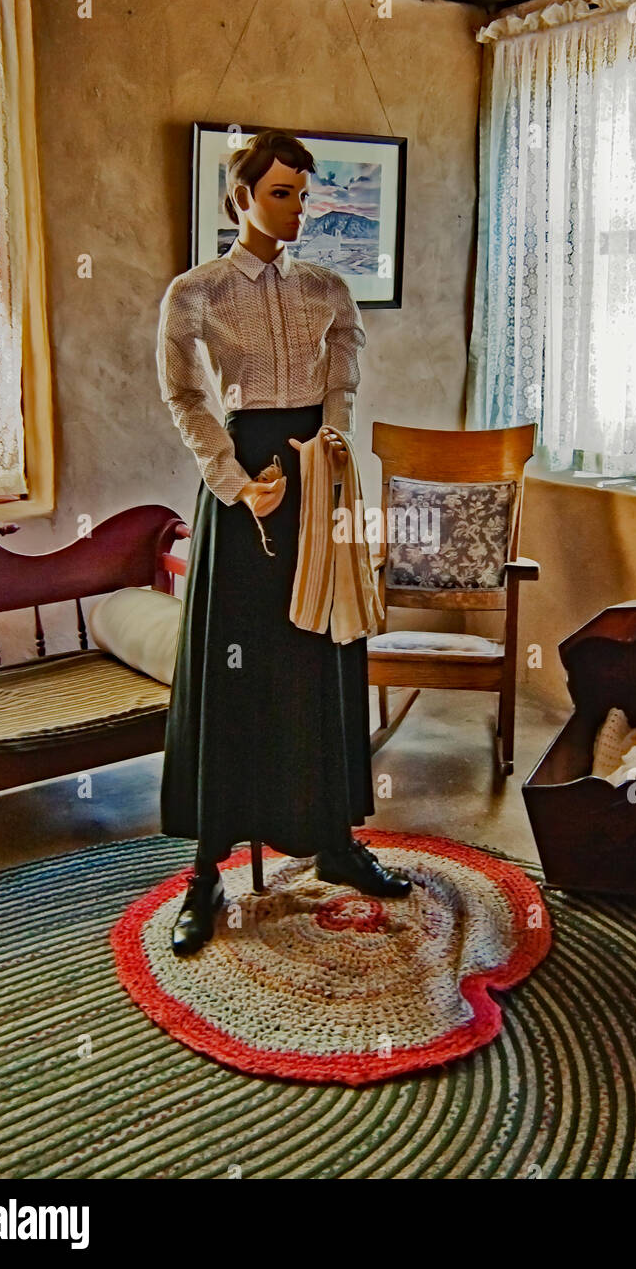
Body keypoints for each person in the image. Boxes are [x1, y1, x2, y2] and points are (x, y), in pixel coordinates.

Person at [156, 129, 410, 957]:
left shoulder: (330, 288)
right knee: (237, 666)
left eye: (304, 194)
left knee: (322, 651)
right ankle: (206, 870)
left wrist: (325, 452)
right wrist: (234, 480)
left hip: (316, 480)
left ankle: (333, 841)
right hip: (242, 488)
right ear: (240, 200)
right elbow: (185, 394)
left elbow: (342, 381)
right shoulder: (196, 292)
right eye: (279, 194)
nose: (296, 209)